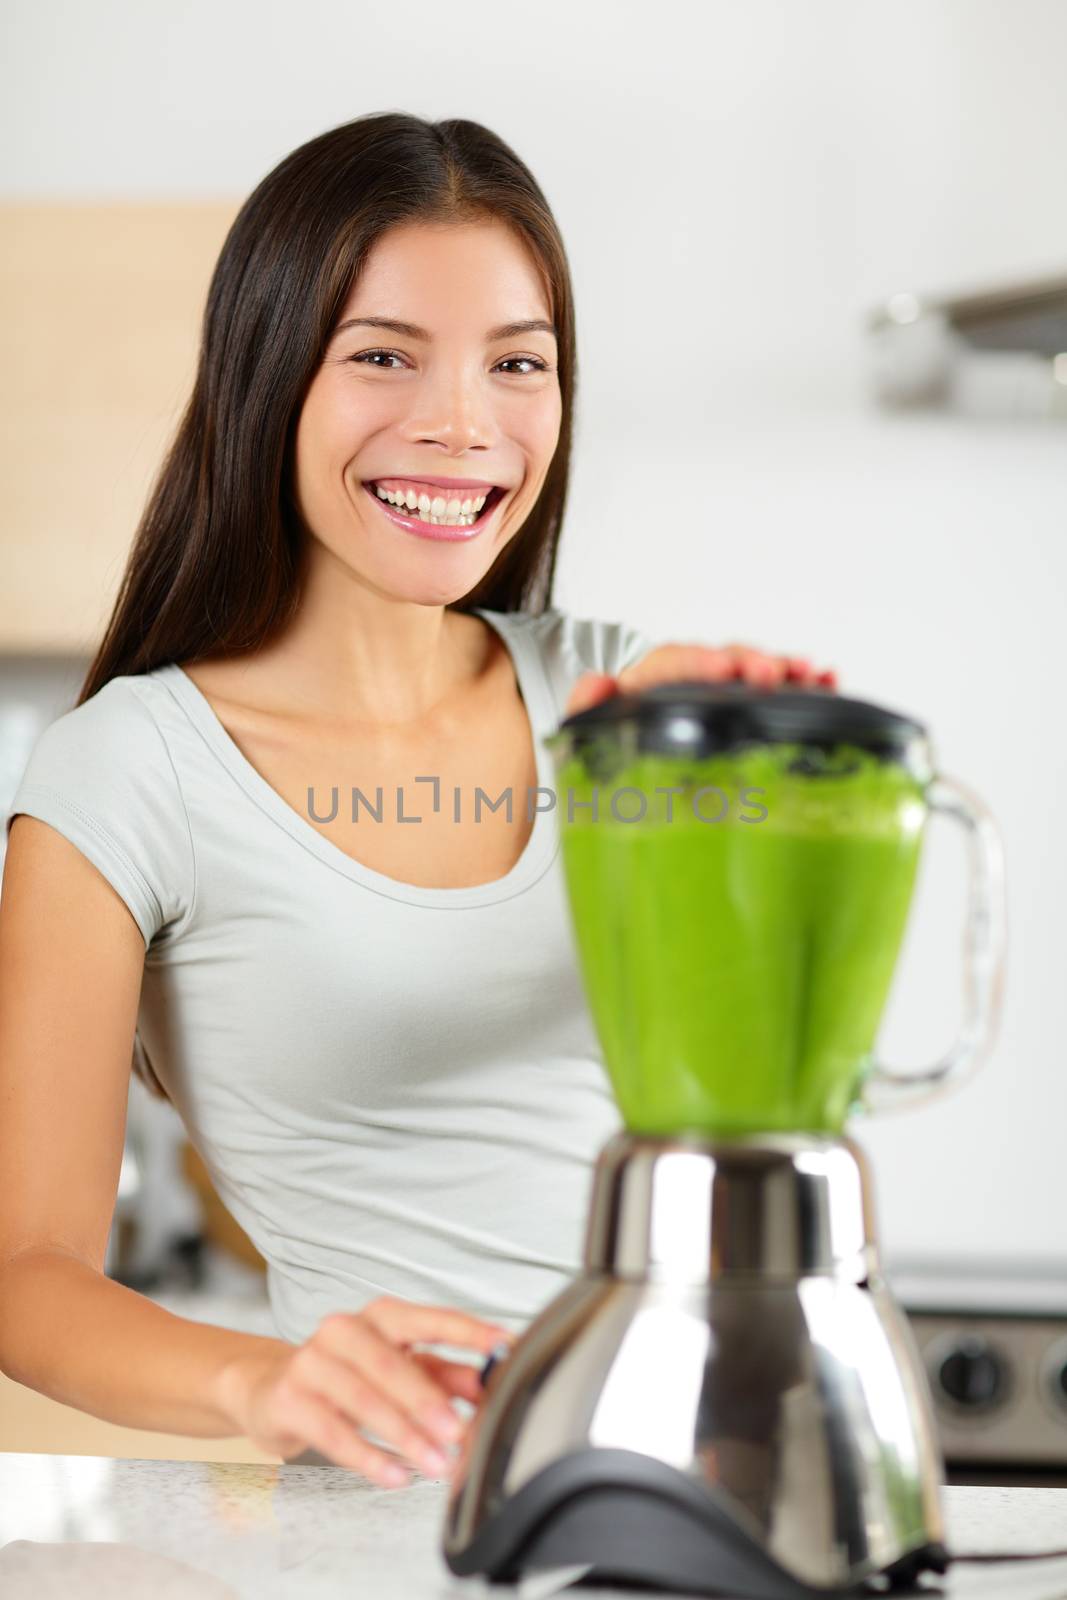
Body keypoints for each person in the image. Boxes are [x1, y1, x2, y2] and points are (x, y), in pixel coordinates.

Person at [0, 112, 837, 1488]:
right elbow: (27, 1279)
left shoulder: (620, 699)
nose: (463, 424)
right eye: (384, 355)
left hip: (726, 1468)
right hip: (407, 1509)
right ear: (268, 379)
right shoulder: (129, 772)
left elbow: (763, 1099)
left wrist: (741, 808)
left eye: (520, 364)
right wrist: (268, 1385)